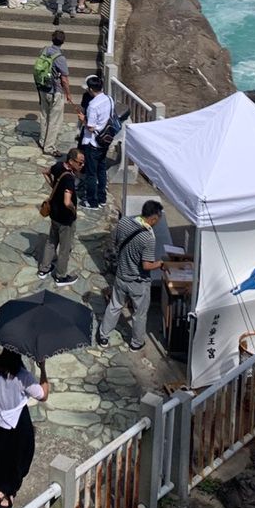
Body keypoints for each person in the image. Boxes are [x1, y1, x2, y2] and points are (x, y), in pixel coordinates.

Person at [0, 347, 50, 508]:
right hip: (16, 423)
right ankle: (4, 493)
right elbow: (43, 395)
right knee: (16, 459)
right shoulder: (23, 376)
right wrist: (43, 369)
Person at [97, 200, 166, 350]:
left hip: (121, 274)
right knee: (139, 314)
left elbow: (114, 241)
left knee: (114, 306)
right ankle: (136, 343)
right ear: (153, 218)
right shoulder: (148, 238)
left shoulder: (124, 222)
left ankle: (103, 336)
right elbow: (146, 265)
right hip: (138, 282)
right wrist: (160, 263)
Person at [38, 147, 83, 284]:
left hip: (54, 214)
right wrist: (73, 209)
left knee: (51, 241)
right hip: (65, 218)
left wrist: (53, 185)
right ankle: (61, 276)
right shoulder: (69, 179)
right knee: (65, 248)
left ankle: (44, 269)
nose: (82, 165)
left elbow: (46, 172)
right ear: (71, 161)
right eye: (80, 162)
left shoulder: (58, 166)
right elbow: (67, 201)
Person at [77, 72, 115, 211]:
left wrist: (83, 120)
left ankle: (92, 202)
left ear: (91, 89)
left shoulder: (93, 105)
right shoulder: (109, 99)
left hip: (93, 142)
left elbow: (91, 127)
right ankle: (102, 198)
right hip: (105, 140)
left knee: (91, 173)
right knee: (101, 170)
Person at [34, 29, 74, 153]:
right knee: (55, 120)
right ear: (63, 41)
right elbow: (64, 79)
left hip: (43, 88)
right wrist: (68, 93)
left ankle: (42, 141)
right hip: (56, 91)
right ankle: (49, 147)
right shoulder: (60, 58)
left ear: (52, 39)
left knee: (44, 115)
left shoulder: (44, 50)